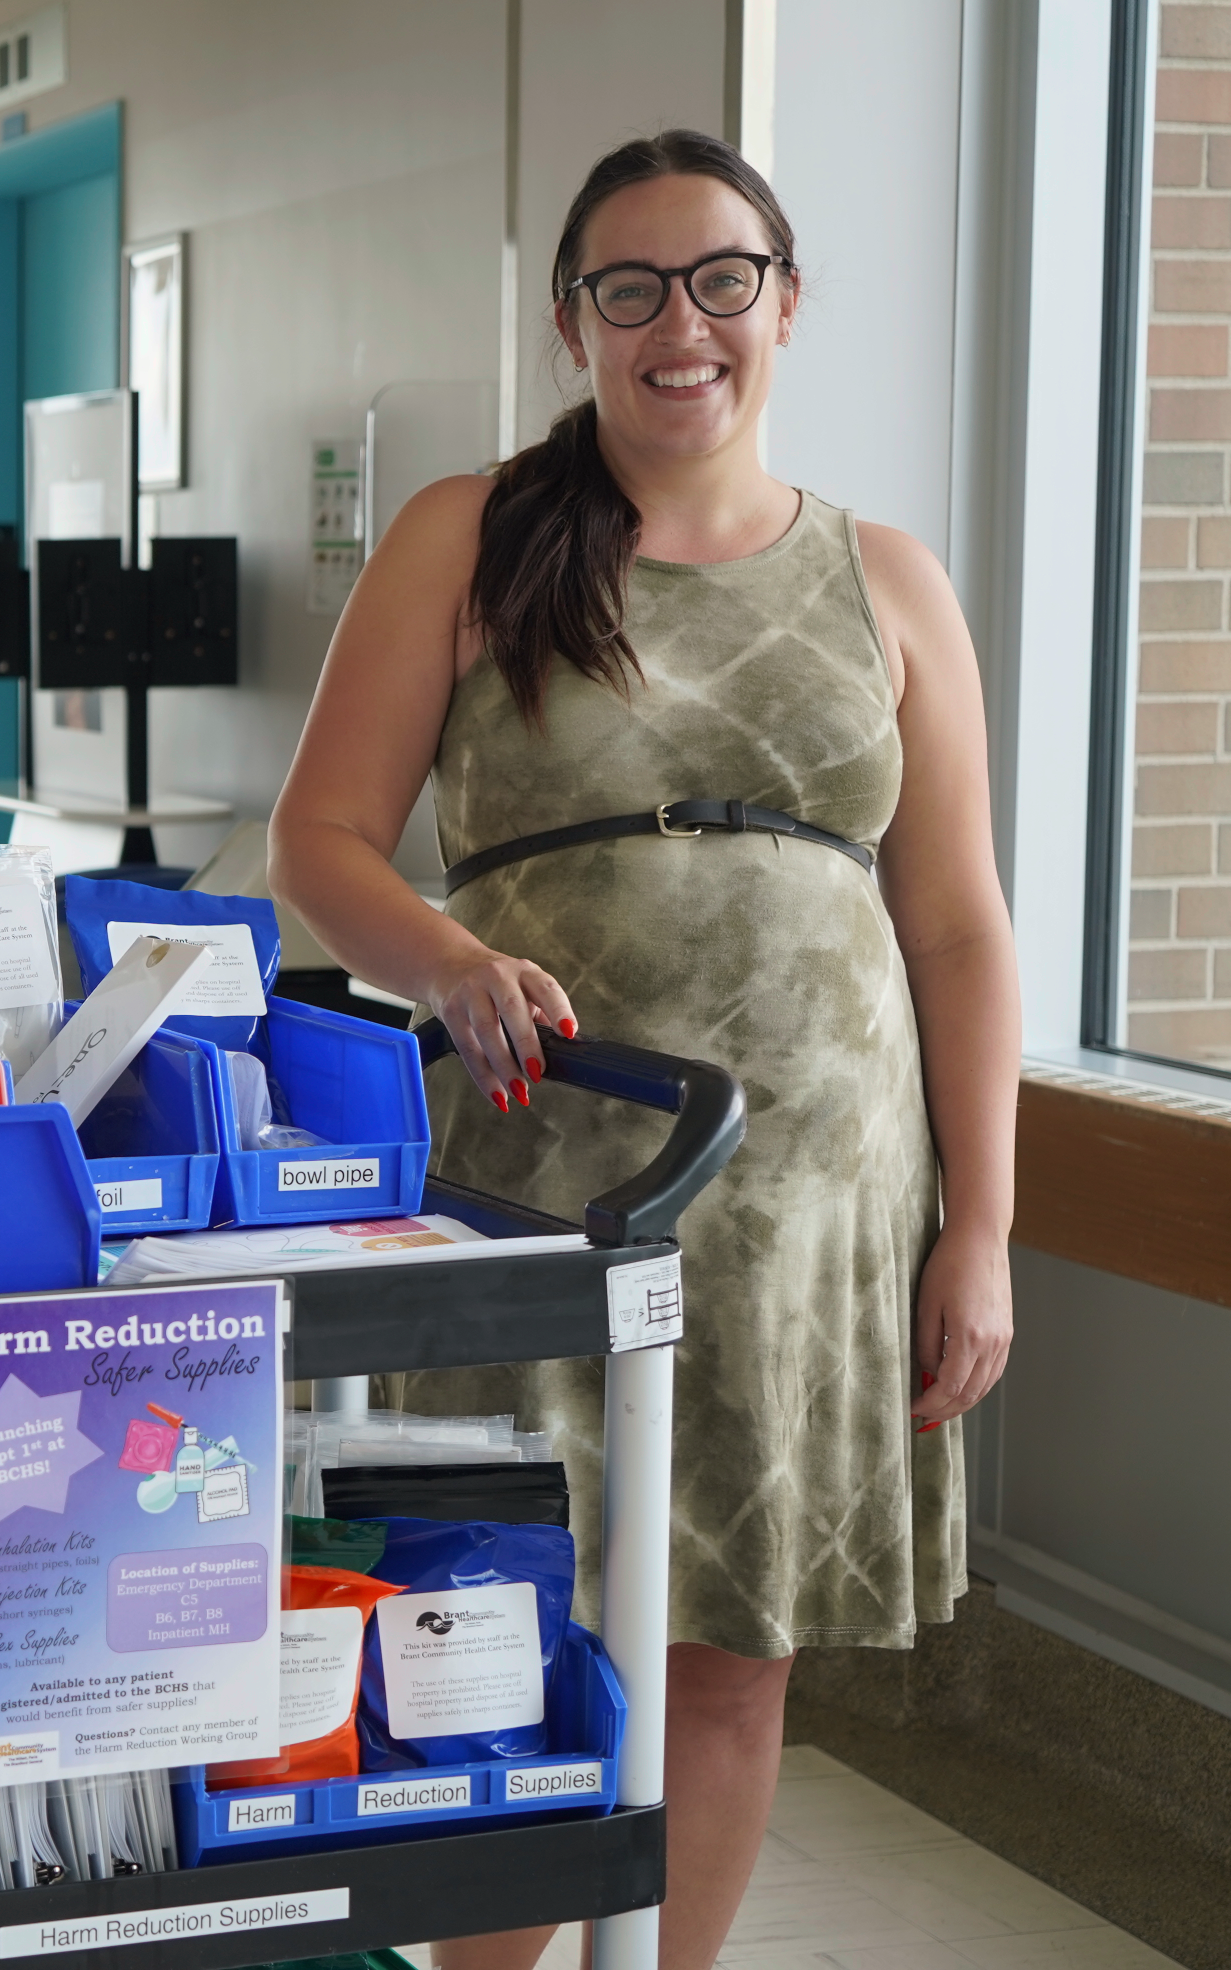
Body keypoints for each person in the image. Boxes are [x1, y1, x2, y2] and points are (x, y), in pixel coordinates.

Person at [270, 130, 1016, 1970]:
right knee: (498, 1641)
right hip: (542, 1180)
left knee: (728, 1665)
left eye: (721, 279)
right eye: (631, 287)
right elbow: (322, 843)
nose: (680, 323)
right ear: (572, 322)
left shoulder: (891, 581)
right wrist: (448, 962)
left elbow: (960, 929)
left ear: (782, 302)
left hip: (815, 1200)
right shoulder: (471, 532)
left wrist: (983, 1226)